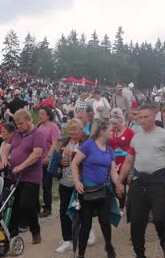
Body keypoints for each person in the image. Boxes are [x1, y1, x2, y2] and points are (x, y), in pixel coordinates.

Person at [116, 106, 165, 258]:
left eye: (146, 117)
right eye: (140, 117)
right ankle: (140, 254)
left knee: (160, 219)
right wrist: (119, 181)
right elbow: (128, 161)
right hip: (140, 182)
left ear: (154, 117)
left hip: (160, 182)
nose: (143, 120)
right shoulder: (136, 137)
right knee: (136, 220)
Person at [71, 120, 119, 258]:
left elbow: (113, 172)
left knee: (105, 221)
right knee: (86, 223)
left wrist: (119, 184)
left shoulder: (110, 150)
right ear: (102, 131)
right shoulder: (88, 145)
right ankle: (81, 254)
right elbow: (75, 163)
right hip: (86, 190)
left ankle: (109, 247)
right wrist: (76, 182)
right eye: (110, 130)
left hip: (103, 190)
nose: (112, 132)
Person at [0, 109, 45, 244]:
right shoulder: (17, 134)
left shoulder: (38, 134)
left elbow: (37, 154)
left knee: (27, 205)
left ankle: (35, 230)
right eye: (17, 124)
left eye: (21, 124)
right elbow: (7, 147)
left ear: (29, 120)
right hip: (12, 174)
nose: (18, 127)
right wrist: (4, 159)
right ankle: (12, 232)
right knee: (10, 204)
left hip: (30, 176)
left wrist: (22, 166)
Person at [55, 118, 88, 253]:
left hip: (79, 182)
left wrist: (72, 154)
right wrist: (60, 162)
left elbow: (88, 160)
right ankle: (67, 238)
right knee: (63, 211)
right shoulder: (64, 142)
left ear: (81, 130)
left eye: (76, 129)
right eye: (71, 129)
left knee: (79, 211)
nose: (73, 132)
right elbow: (55, 159)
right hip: (64, 181)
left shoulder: (85, 143)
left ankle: (82, 235)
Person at [37, 106, 61, 218]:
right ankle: (37, 206)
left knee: (47, 184)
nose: (40, 116)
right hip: (38, 159)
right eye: (39, 113)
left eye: (42, 114)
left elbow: (55, 143)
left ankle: (48, 207)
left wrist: (48, 156)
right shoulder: (39, 126)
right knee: (37, 183)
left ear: (48, 115)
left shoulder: (53, 127)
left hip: (48, 159)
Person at [108, 108, 134, 209]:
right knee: (113, 184)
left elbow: (133, 148)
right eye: (112, 124)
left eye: (116, 124)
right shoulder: (111, 131)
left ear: (121, 121)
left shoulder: (129, 132)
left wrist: (126, 153)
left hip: (125, 163)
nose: (114, 126)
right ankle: (115, 205)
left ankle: (121, 207)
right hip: (113, 162)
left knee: (122, 183)